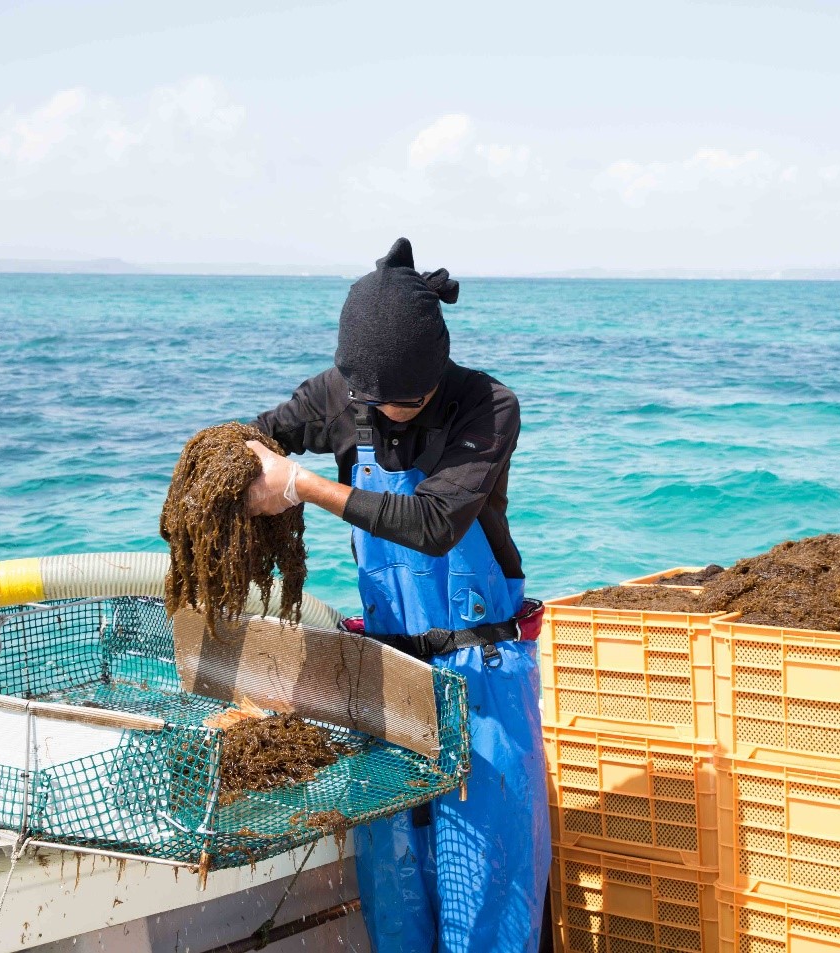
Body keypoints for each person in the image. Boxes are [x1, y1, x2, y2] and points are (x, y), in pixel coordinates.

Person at [243, 237, 550, 953]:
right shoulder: (345, 397)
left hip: (481, 686)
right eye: (372, 401)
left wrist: (305, 486)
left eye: (405, 401)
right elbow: (258, 435)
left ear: (436, 372)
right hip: (384, 689)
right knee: (398, 894)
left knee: (486, 901)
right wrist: (237, 465)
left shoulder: (488, 407)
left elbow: (436, 524)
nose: (387, 414)